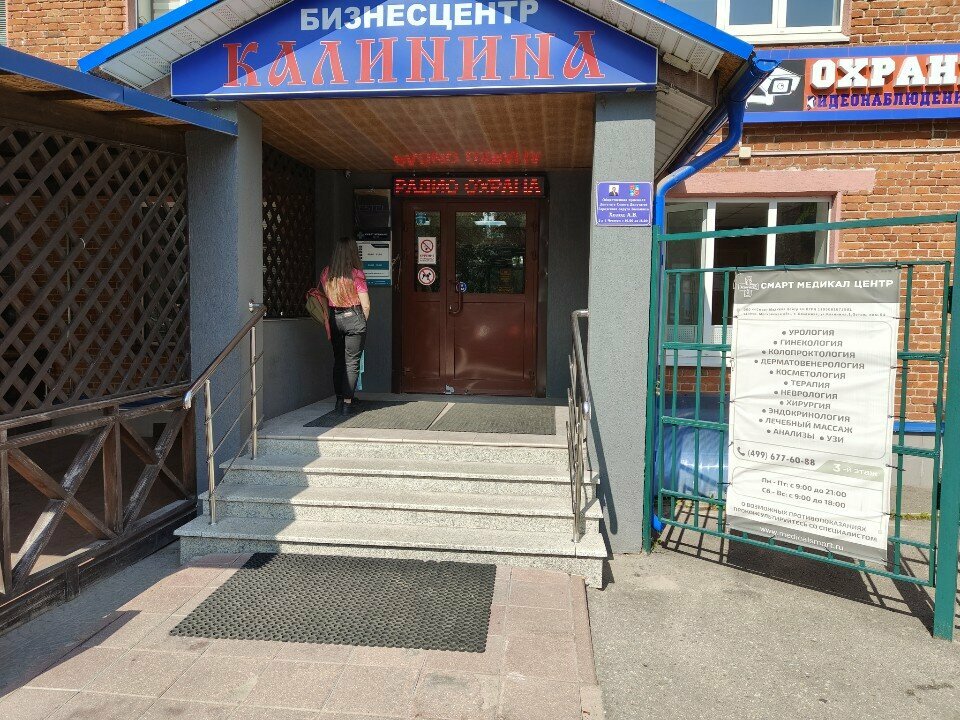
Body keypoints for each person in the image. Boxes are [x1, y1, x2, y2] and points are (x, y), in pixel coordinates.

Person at [321, 237, 370, 415]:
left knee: (339, 361)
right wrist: (361, 322)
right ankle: (348, 404)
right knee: (352, 363)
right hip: (354, 317)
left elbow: (327, 297)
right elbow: (366, 305)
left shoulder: (326, 273)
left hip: (335, 318)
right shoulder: (356, 274)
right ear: (352, 252)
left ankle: (339, 400)